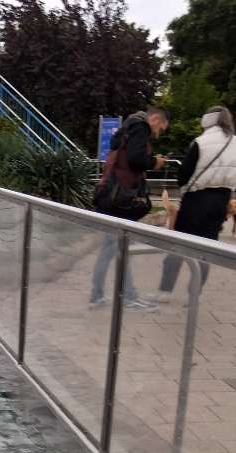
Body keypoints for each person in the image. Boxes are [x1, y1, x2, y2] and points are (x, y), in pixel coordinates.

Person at [151, 106, 236, 302]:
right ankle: (193, 295)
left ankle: (165, 291)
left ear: (208, 120)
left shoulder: (201, 142)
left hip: (196, 201)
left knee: (178, 246)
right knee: (206, 249)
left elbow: (183, 177)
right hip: (221, 202)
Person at [90, 108, 170, 310]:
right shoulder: (140, 128)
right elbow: (136, 160)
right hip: (120, 199)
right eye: (160, 128)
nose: (158, 134)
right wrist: (155, 162)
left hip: (109, 196)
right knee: (120, 248)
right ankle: (128, 297)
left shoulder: (126, 129)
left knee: (110, 250)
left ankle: (98, 295)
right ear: (154, 119)